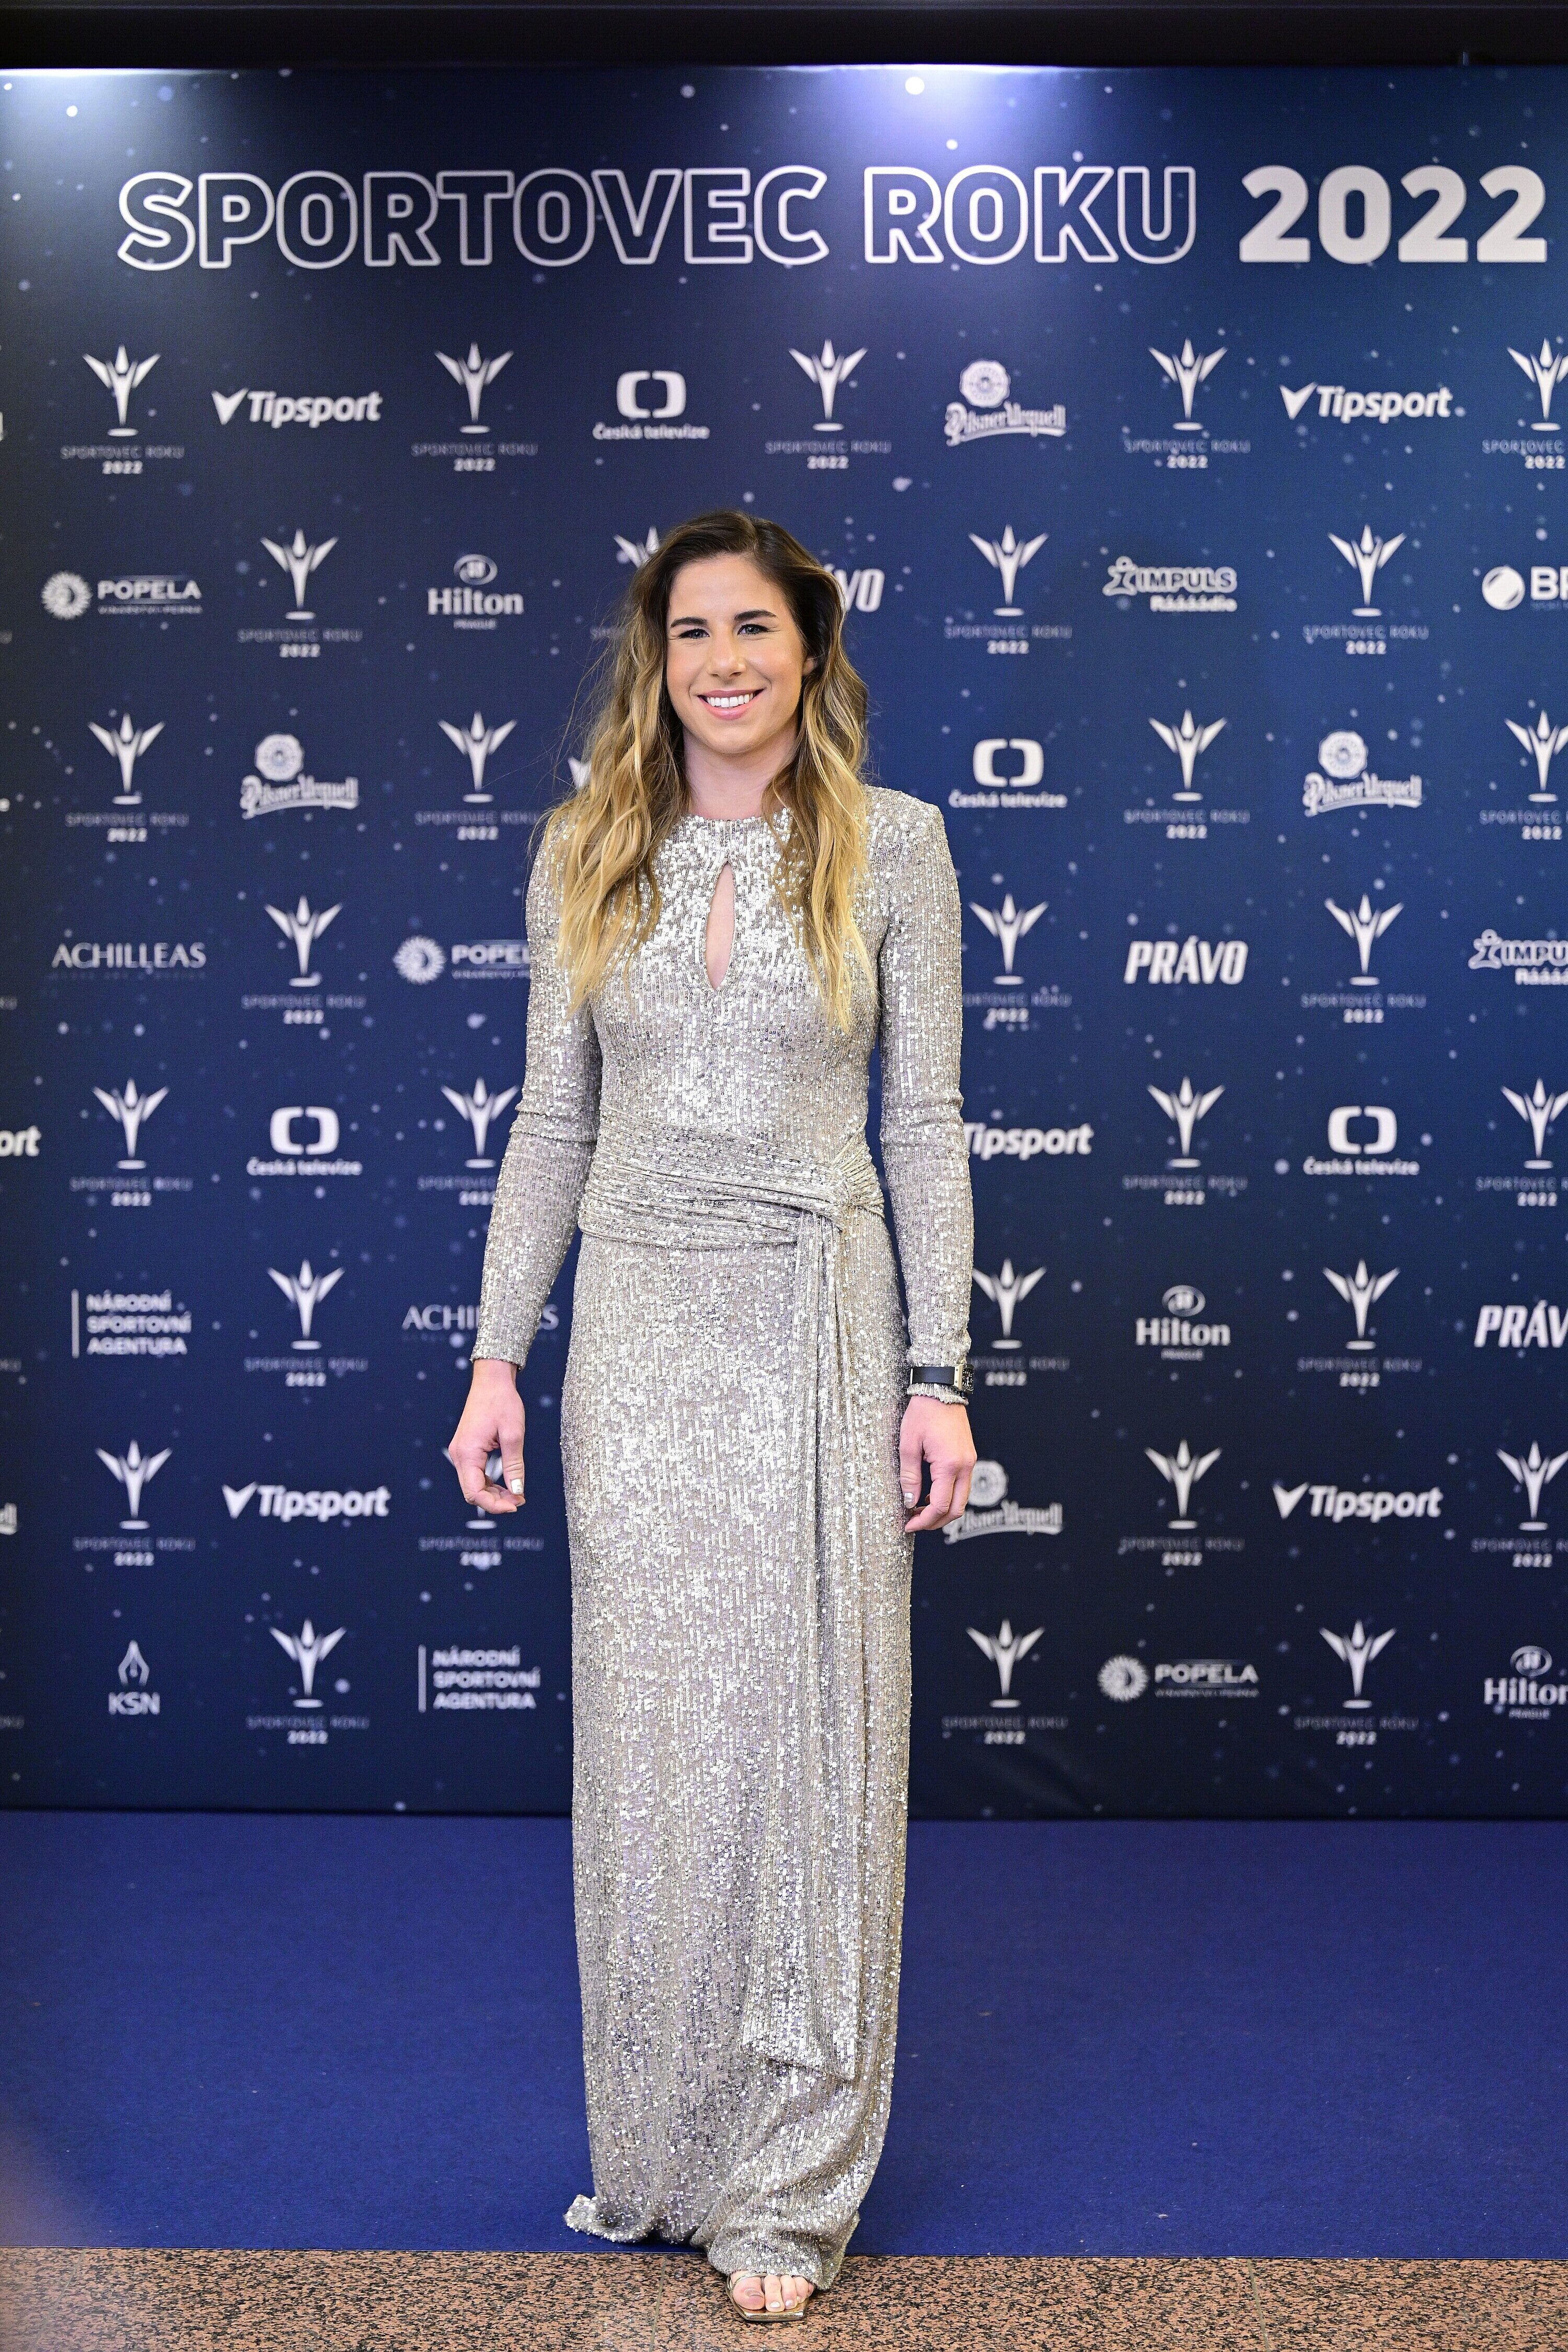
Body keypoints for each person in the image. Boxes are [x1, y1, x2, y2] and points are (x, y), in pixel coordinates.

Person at [447, 510, 976, 2321]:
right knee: (659, 1752)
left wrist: (937, 1372)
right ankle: (669, 2153)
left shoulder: (900, 847)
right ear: (654, 657)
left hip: (818, 1320)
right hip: (642, 1332)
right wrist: (498, 1353)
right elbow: (552, 1119)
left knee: (816, 1743)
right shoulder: (584, 845)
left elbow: (924, 1125)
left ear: (810, 649)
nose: (722, 662)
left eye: (754, 628)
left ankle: (788, 2181)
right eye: (690, 631)